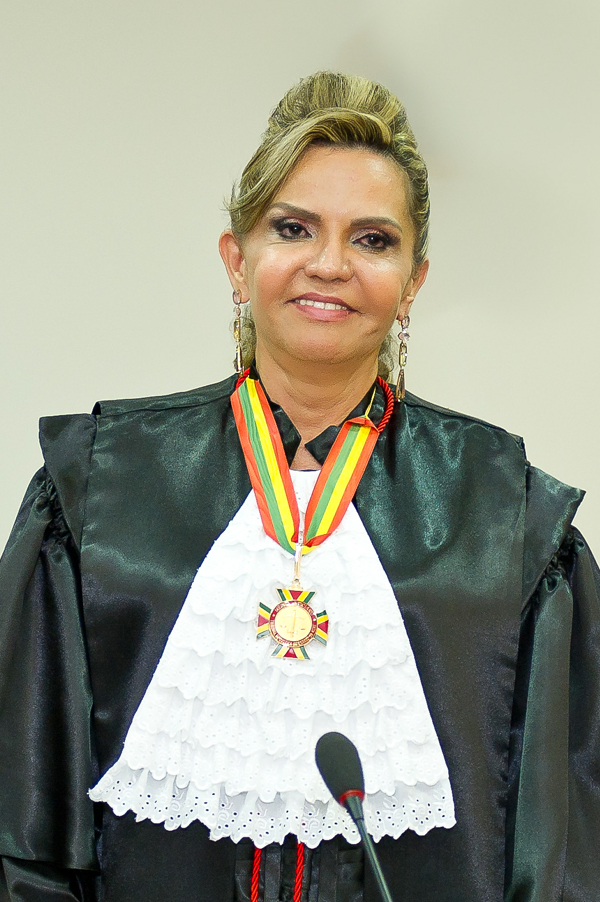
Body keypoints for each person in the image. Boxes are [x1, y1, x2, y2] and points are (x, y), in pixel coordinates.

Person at [0, 71, 598, 902]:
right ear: (236, 259)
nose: (329, 264)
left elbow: (561, 861)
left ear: (414, 281)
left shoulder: (509, 521)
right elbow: (24, 834)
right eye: (293, 228)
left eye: (373, 240)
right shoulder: (97, 491)